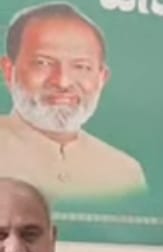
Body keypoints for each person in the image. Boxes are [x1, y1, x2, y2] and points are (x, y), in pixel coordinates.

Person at [0, 2, 146, 200]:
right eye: (43, 63)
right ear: (8, 70)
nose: (63, 82)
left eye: (81, 67)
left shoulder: (125, 173)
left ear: (102, 78)